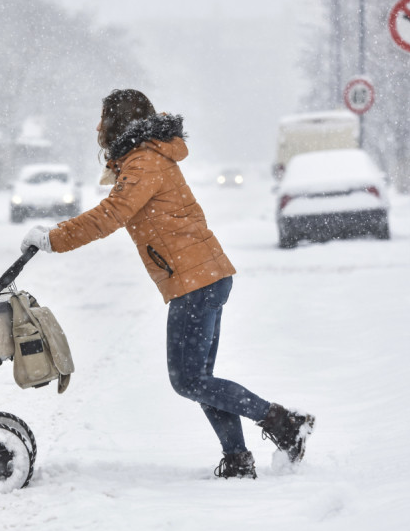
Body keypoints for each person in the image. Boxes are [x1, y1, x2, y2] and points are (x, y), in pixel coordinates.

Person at [20, 88, 314, 479]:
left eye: (103, 117)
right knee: (201, 380)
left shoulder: (144, 161)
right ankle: (239, 458)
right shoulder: (146, 157)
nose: (97, 126)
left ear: (118, 122)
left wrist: (53, 238)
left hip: (195, 282)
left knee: (188, 380)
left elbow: (111, 215)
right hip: (203, 277)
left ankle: (283, 422)